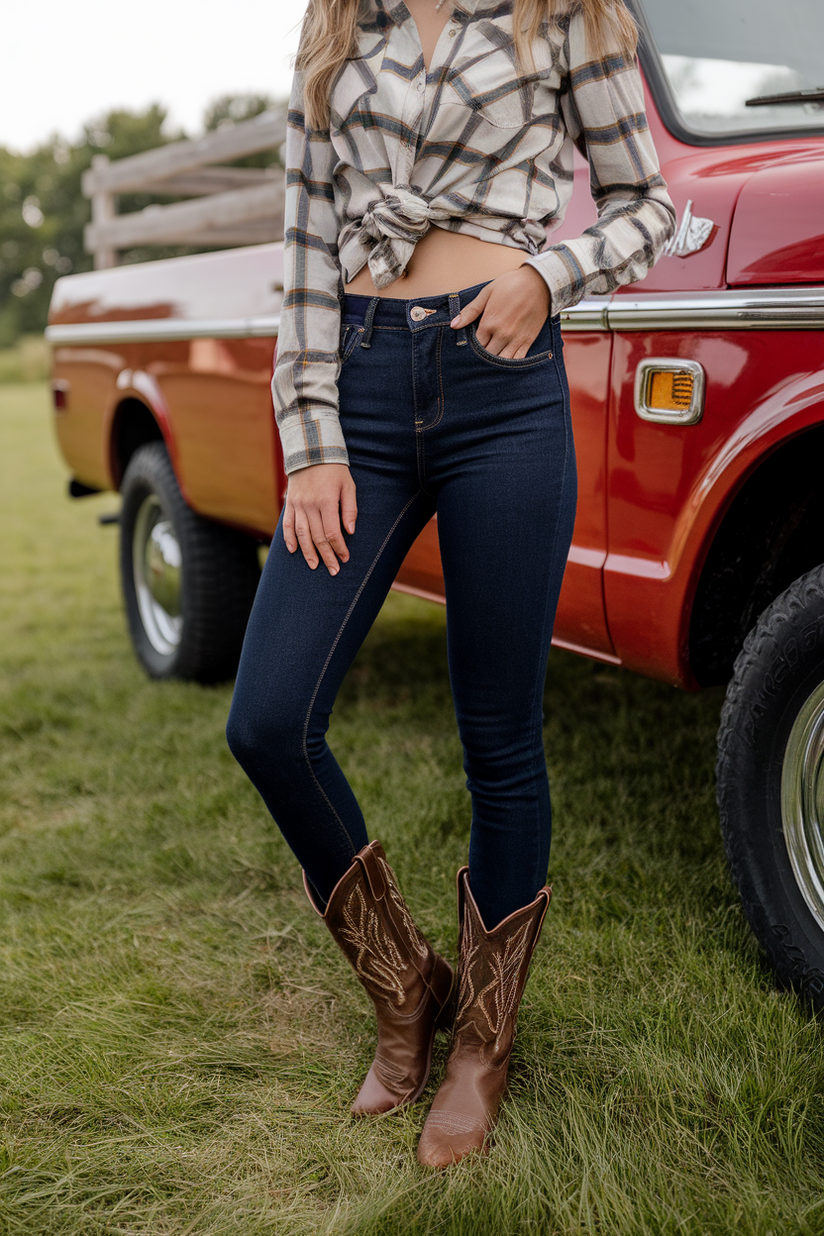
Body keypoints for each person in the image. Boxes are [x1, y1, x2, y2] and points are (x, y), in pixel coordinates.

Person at [227, 0, 675, 1167]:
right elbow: (303, 252)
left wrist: (547, 270)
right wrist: (313, 440)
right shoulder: (337, 30)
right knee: (269, 719)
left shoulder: (559, 14)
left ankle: (480, 1042)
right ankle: (402, 986)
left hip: (500, 382)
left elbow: (649, 205)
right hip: (361, 392)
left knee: (499, 738)